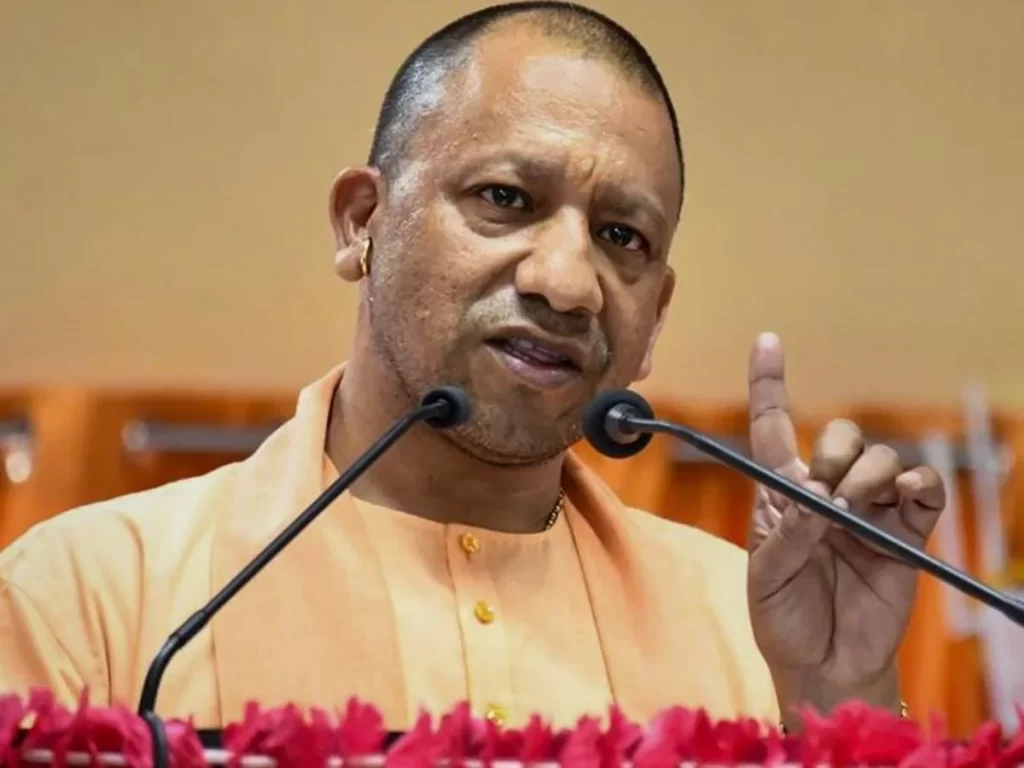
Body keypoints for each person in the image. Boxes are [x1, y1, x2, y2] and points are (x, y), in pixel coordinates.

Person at [0, 1, 944, 734]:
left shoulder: (747, 625)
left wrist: (836, 702)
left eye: (621, 236)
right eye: (505, 198)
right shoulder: (94, 599)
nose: (567, 283)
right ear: (361, 222)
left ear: (655, 316)